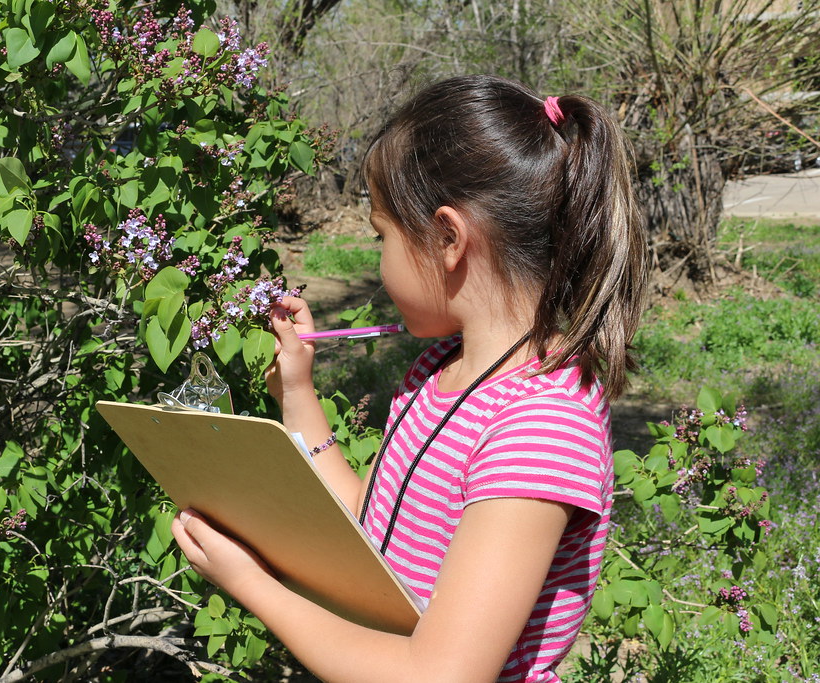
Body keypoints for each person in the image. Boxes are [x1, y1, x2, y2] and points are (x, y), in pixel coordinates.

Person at [171, 74, 647, 682]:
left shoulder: (542, 426)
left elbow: (440, 675)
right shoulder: (439, 374)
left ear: (448, 238)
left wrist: (253, 587)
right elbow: (364, 520)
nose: (378, 259)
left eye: (381, 234)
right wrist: (296, 393)